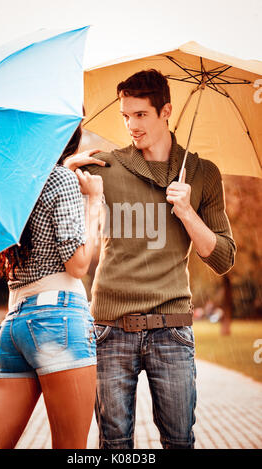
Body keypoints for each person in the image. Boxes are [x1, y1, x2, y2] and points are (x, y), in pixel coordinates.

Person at [64, 69, 237, 449]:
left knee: (179, 441)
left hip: (172, 330)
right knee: (113, 444)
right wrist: (67, 170)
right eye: (126, 116)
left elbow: (223, 258)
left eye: (140, 115)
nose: (131, 125)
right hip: (110, 329)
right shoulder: (106, 166)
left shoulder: (203, 174)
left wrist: (188, 212)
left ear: (166, 111)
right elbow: (50, 191)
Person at [0, 123, 104, 449]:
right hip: (57, 318)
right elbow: (78, 264)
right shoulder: (60, 180)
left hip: (14, 323)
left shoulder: (14, 183)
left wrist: (66, 169)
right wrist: (93, 202)